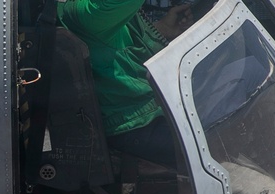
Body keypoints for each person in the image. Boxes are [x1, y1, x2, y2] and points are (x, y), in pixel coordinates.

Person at [57, 0, 195, 168]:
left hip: (145, 114)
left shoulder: (84, 13)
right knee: (220, 152)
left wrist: (161, 29)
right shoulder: (85, 12)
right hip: (136, 124)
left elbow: (111, 46)